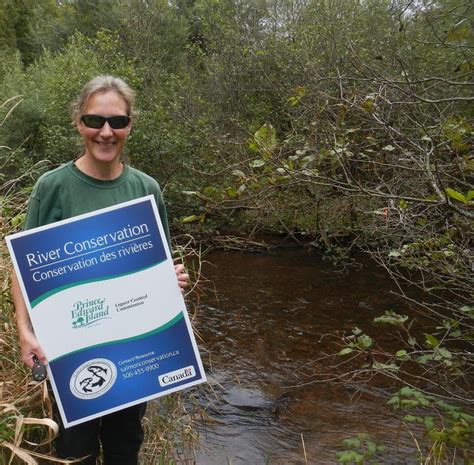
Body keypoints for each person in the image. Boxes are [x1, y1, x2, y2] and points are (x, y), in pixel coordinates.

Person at [11, 75, 189, 464]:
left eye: (117, 122)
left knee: (126, 443)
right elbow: (23, 268)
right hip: (70, 352)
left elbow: (160, 268)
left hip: (132, 348)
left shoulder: (147, 190)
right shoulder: (52, 187)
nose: (106, 132)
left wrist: (171, 282)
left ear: (130, 125)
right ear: (79, 123)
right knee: (76, 449)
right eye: (95, 121)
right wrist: (25, 333)